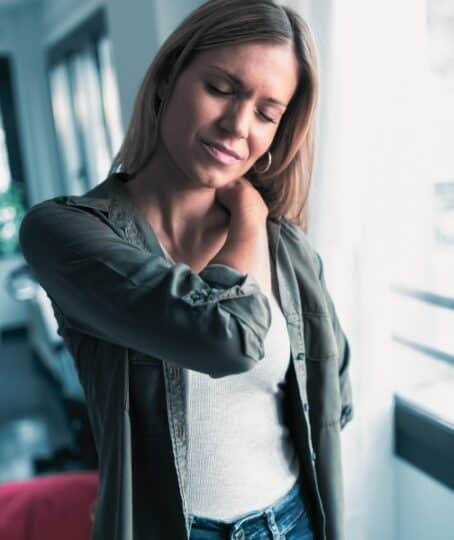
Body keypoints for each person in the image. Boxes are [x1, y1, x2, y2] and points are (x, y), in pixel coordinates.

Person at [18, 0, 353, 539]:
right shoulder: (63, 232)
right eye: (221, 88)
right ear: (168, 79)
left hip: (292, 522)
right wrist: (248, 213)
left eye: (267, 113)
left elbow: (334, 393)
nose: (237, 125)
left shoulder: (287, 248)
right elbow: (224, 338)